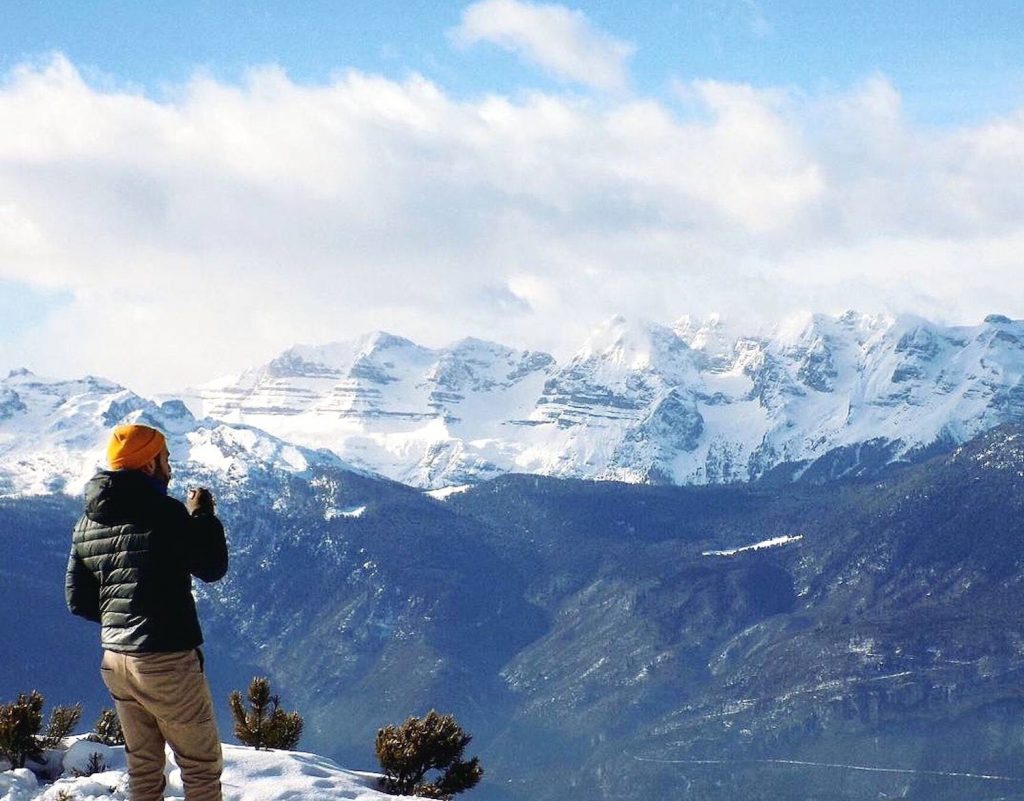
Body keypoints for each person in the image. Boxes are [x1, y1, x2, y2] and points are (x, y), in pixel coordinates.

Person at [66, 423, 229, 801]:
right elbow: (211, 567)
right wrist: (203, 516)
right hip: (164, 659)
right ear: (149, 464)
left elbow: (78, 599)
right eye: (166, 458)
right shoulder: (165, 513)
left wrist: (123, 617)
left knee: (143, 765)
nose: (170, 467)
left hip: (116, 661)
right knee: (200, 767)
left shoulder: (87, 522)